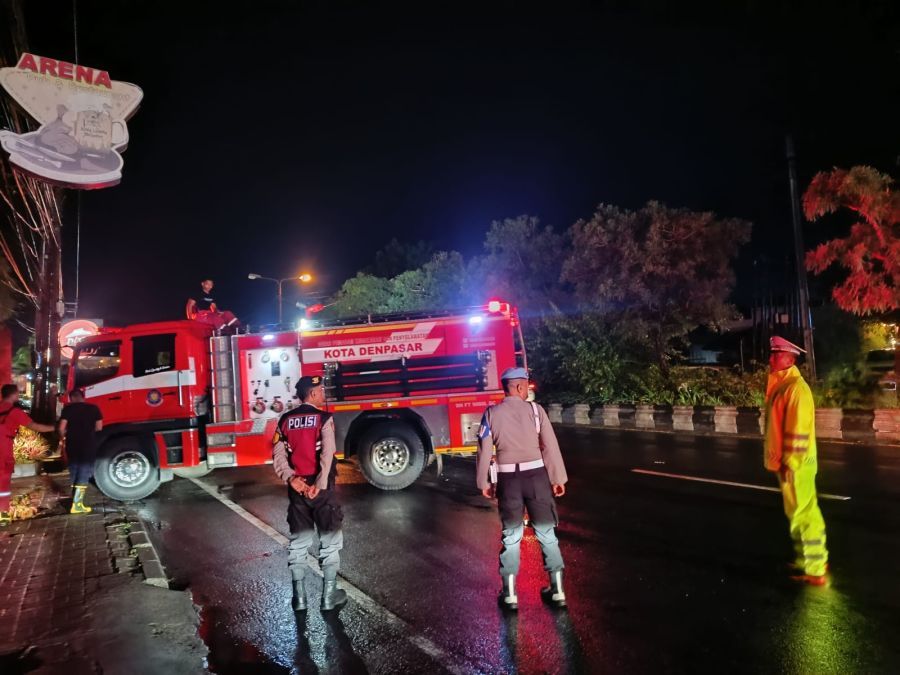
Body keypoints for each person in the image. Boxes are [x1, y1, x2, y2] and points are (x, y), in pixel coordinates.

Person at [476, 367, 569, 610]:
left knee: (512, 536)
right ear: (518, 387)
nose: (528, 389)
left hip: (509, 480)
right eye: (526, 385)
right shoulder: (536, 411)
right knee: (547, 533)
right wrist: (557, 477)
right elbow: (550, 446)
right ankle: (557, 590)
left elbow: (484, 451)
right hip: (537, 477)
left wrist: (484, 482)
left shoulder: (490, 414)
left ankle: (509, 595)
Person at [272, 375, 347, 612]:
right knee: (330, 542)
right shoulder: (324, 419)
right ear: (312, 394)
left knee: (299, 542)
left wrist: (291, 478)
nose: (323, 393)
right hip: (321, 491)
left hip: (297, 490)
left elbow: (278, 454)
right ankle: (328, 596)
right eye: (321, 390)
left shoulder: (284, 420)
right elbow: (327, 454)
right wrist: (320, 484)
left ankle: (300, 599)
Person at [764, 336, 829, 586]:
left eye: (775, 354)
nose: (771, 359)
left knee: (804, 514)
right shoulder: (783, 385)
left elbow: (798, 432)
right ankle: (809, 559)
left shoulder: (795, 389)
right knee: (797, 513)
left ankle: (815, 569)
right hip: (789, 464)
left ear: (789, 359)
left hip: (796, 466)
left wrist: (790, 463)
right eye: (772, 354)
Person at [0, 384, 55, 526]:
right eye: (18, 393)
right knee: (3, 482)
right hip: (4, 446)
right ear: (13, 394)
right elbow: (34, 426)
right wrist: (54, 428)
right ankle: (3, 514)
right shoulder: (14, 411)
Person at [58, 389, 103, 514]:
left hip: (72, 444)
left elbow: (61, 428)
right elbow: (99, 427)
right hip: (88, 444)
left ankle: (74, 500)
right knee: (84, 472)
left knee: (74, 470)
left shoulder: (67, 409)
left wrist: (63, 437)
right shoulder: (94, 408)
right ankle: (77, 505)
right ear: (83, 397)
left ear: (71, 398)